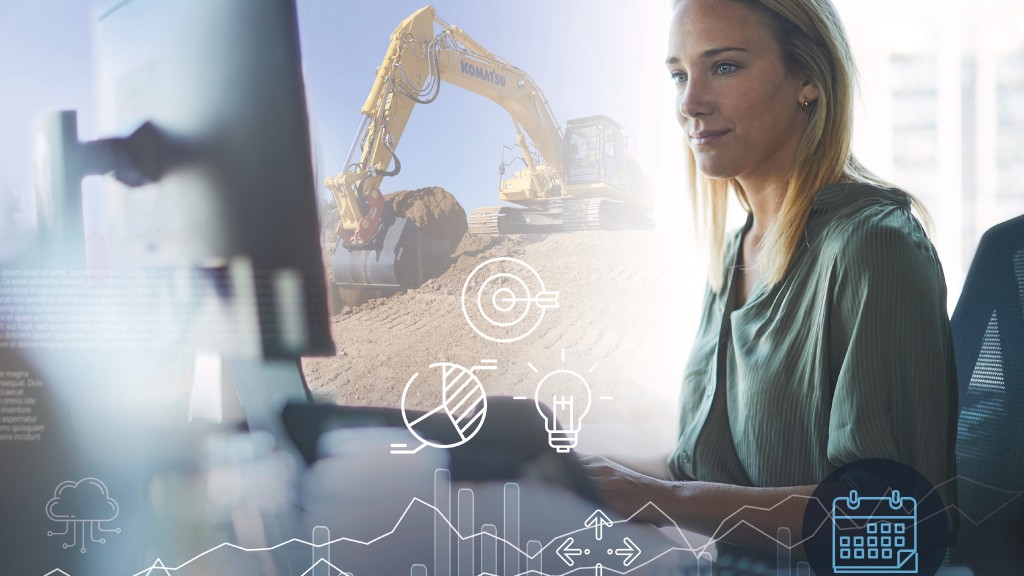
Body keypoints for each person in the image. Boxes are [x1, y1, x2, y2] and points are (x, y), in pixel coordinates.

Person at [582, 0, 958, 561]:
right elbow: (700, 474)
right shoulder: (737, 248)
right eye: (679, 75)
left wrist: (665, 499)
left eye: (725, 67)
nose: (690, 102)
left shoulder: (874, 245)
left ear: (808, 78)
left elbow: (893, 527)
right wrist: (563, 461)